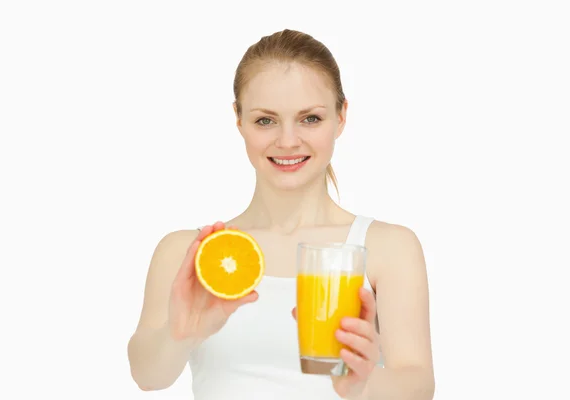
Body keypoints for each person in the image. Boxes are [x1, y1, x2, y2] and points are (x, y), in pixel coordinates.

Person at [127, 29, 435, 400]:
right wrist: (182, 333)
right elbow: (148, 375)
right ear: (238, 120)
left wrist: (362, 382)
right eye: (265, 120)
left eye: (310, 119)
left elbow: (417, 385)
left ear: (341, 116)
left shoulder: (387, 247)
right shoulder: (191, 253)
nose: (288, 141)